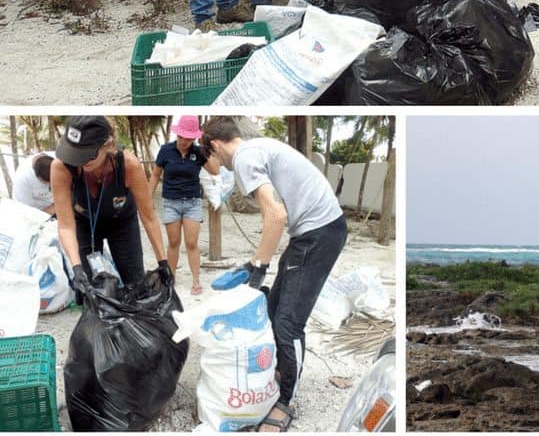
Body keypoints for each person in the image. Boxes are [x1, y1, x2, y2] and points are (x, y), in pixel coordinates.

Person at [200, 116, 347, 433]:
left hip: (317, 234)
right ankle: (279, 375)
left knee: (287, 323)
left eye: (211, 159)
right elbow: (279, 215)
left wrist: (259, 266)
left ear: (214, 145)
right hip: (314, 232)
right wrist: (258, 263)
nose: (219, 168)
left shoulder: (243, 158)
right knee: (276, 308)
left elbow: (276, 214)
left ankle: (285, 400)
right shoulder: (258, 148)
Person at [50, 116, 171, 300]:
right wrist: (76, 267)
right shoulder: (61, 167)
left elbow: (149, 217)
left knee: (135, 285)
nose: (81, 162)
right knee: (90, 292)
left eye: (88, 156)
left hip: (121, 222)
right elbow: (65, 225)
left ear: (107, 146)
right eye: (74, 155)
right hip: (84, 224)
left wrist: (163, 262)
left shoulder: (128, 165)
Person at [149, 115, 212, 296]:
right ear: (177, 134)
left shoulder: (199, 152)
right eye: (181, 137)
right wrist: (148, 199)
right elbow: (154, 176)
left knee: (192, 243)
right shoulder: (165, 150)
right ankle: (171, 280)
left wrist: (207, 149)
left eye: (188, 138)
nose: (184, 141)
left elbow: (215, 170)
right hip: (171, 202)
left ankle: (196, 280)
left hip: (192, 202)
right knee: (174, 242)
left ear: (194, 138)